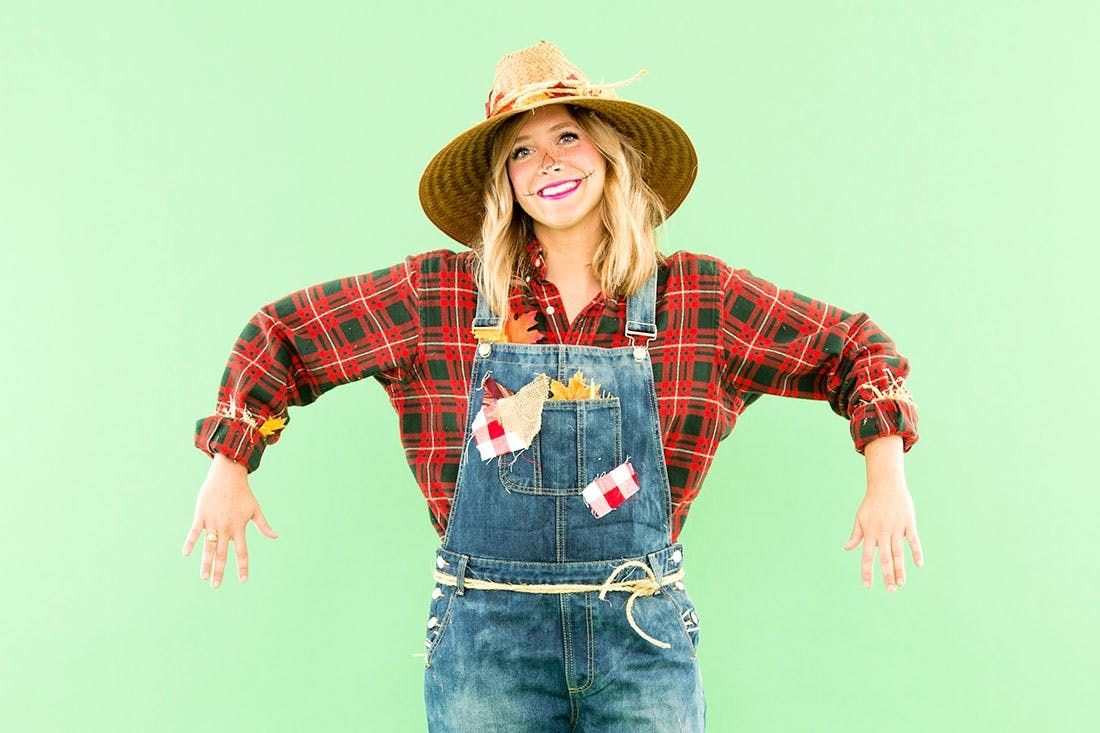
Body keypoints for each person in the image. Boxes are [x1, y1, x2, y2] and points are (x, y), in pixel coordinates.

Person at [183, 40, 923, 732]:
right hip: (487, 648)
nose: (549, 162)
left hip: (641, 636)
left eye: (567, 135)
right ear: (504, 180)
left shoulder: (701, 298)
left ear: (608, 152)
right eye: (522, 150)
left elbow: (857, 348)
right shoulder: (438, 296)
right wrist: (230, 462)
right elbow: (284, 334)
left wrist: (884, 472)